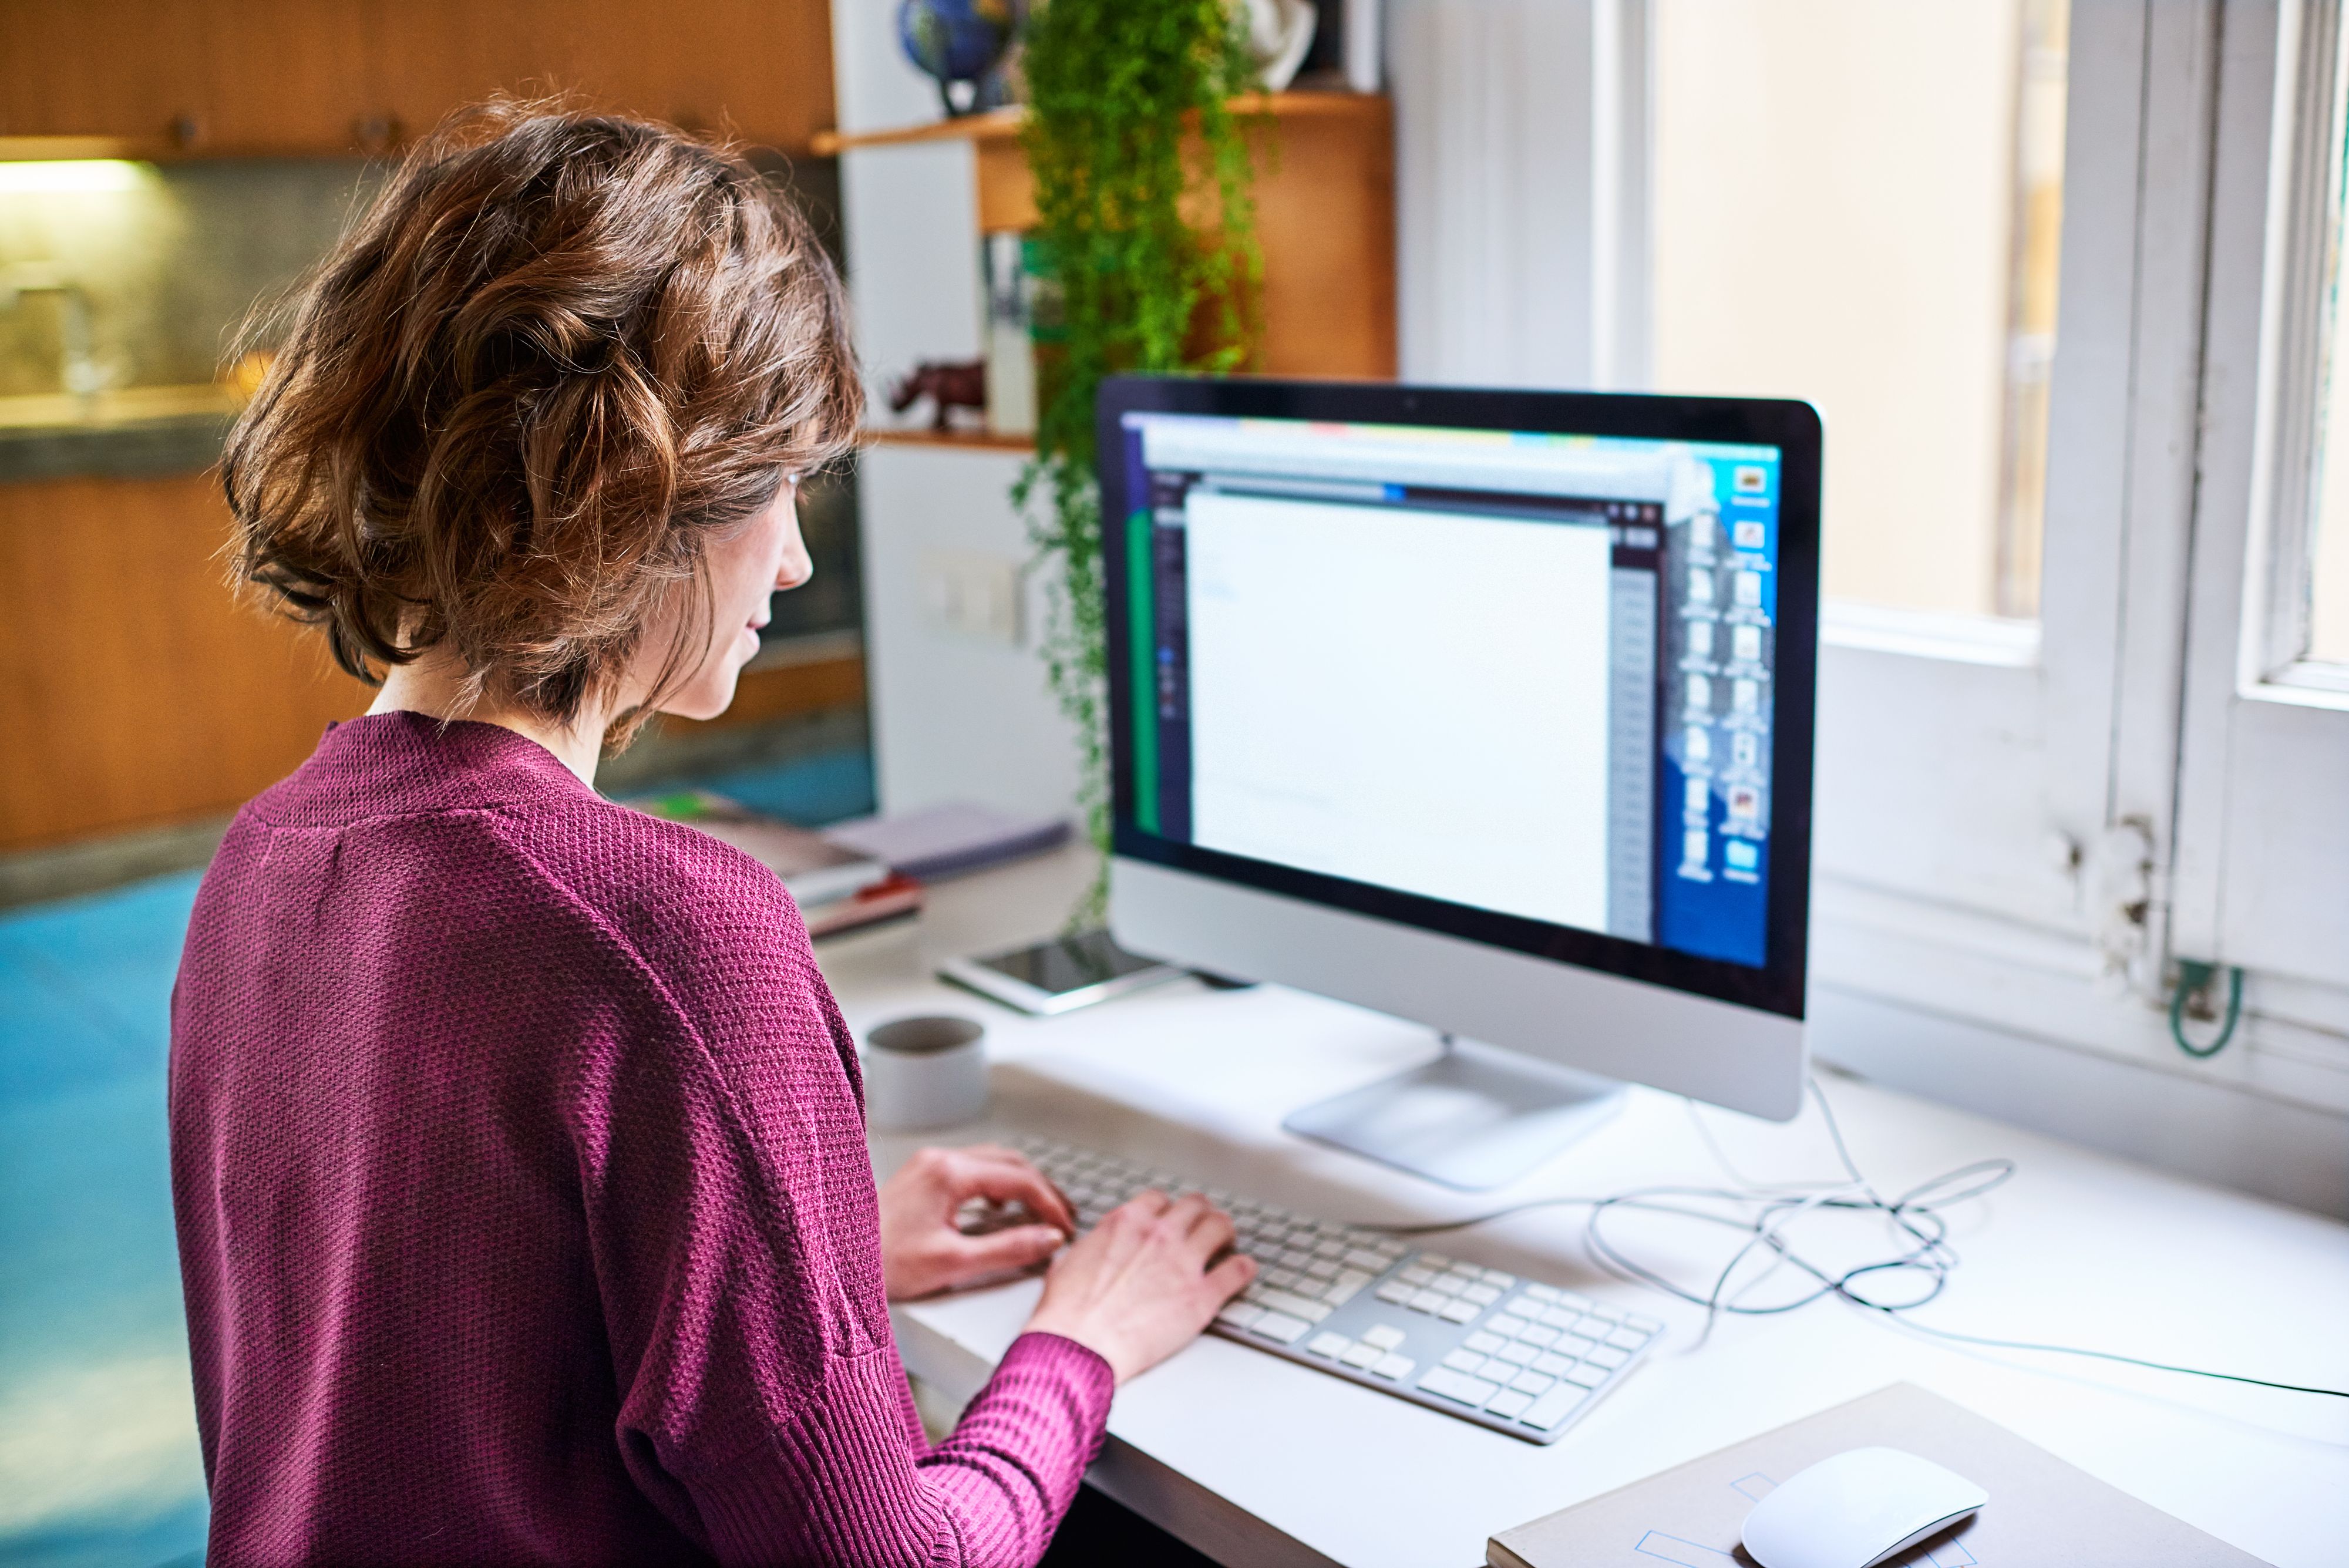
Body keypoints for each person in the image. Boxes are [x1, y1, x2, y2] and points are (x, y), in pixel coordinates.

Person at [170, 103, 1253, 1567]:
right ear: (641, 501)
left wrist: (809, 1271)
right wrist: (1082, 1344)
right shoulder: (671, 934)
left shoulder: (260, 867)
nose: (797, 556)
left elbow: (435, 1369)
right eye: (780, 488)